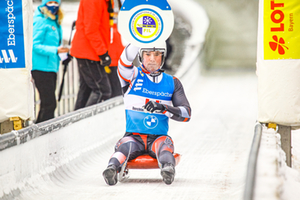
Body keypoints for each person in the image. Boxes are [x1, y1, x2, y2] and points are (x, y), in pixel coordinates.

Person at [102, 42, 192, 185]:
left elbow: (186, 114)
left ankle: (168, 169)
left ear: (162, 57)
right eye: (147, 54)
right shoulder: (131, 75)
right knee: (124, 146)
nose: (152, 59)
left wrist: (163, 108)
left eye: (157, 55)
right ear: (140, 55)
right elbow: (124, 59)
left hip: (158, 138)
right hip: (133, 137)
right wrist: (141, 38)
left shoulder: (172, 82)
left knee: (165, 145)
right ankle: (111, 168)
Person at [70, 0, 113, 110]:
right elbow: (91, 29)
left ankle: (76, 122)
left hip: (89, 50)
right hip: (89, 51)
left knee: (86, 90)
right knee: (102, 91)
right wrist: (102, 52)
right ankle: (88, 123)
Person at [32, 0, 69, 123]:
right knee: (49, 104)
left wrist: (63, 55)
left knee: (47, 104)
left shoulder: (54, 21)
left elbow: (55, 44)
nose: (54, 5)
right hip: (40, 67)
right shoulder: (41, 20)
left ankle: (42, 133)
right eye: (50, 1)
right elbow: (35, 45)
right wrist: (55, 50)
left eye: (56, 2)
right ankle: (42, 133)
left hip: (51, 67)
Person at [106, 0, 124, 98]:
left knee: (118, 91)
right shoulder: (108, 25)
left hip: (119, 62)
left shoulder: (119, 25)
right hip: (110, 62)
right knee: (113, 92)